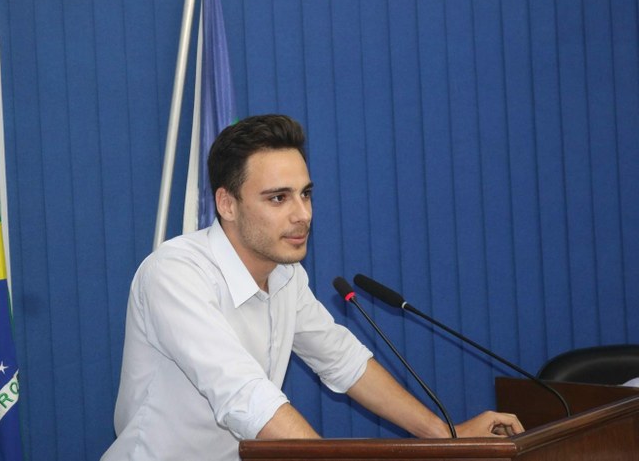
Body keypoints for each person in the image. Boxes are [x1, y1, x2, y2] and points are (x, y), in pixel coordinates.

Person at [101, 114, 523, 461]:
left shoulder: (285, 275)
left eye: (305, 194)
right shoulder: (175, 273)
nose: (303, 214)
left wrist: (447, 436)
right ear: (227, 204)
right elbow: (244, 395)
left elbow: (344, 362)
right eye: (278, 198)